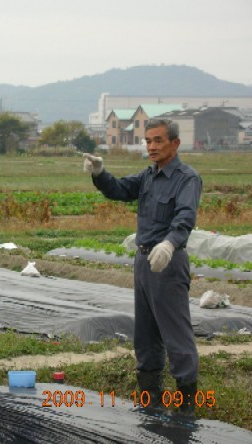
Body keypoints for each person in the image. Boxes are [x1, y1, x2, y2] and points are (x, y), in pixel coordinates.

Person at [83, 119, 202, 416]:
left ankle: (186, 401)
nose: (151, 146)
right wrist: (100, 173)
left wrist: (170, 244)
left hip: (168, 261)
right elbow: (120, 190)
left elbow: (185, 218)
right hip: (144, 261)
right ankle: (150, 396)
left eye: (158, 140)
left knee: (175, 331)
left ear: (174, 144)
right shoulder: (149, 175)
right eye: (148, 140)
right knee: (146, 333)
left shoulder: (187, 178)